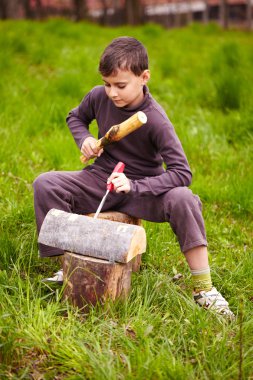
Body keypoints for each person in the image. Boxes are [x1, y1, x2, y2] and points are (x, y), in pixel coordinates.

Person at [33, 36, 234, 318]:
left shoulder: (156, 120)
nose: (112, 92)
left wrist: (136, 185)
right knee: (46, 183)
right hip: (103, 177)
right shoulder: (98, 96)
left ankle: (204, 288)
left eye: (121, 85)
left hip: (144, 190)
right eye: (107, 84)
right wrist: (85, 139)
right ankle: (66, 265)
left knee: (183, 199)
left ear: (144, 77)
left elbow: (182, 172)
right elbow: (75, 117)